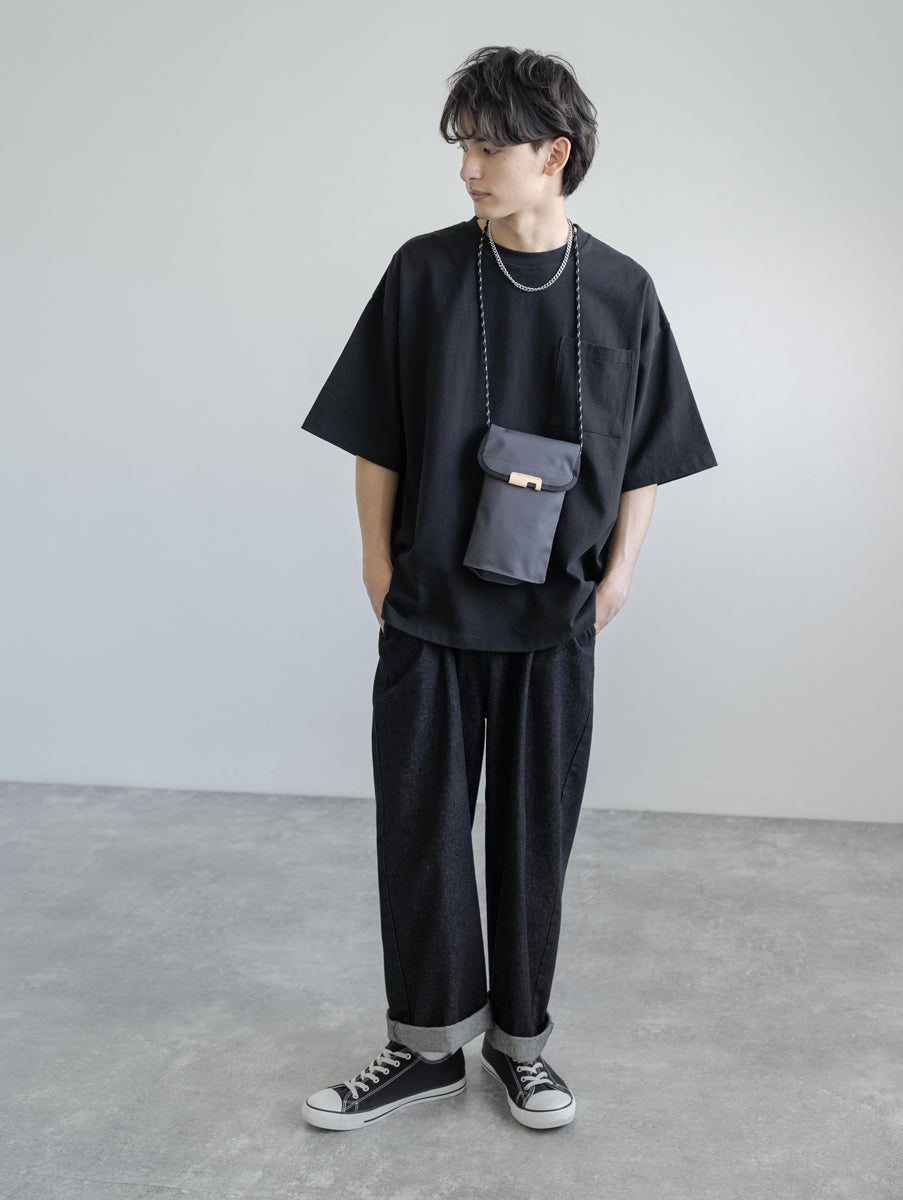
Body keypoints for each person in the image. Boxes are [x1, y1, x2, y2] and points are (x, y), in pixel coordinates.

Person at [299, 45, 716, 1132]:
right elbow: (377, 433)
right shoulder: (424, 273)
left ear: (554, 154)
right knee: (422, 829)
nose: (468, 169)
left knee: (535, 837)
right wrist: (376, 564)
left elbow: (647, 452)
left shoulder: (622, 290)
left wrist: (619, 575)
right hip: (430, 607)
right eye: (463, 148)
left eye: (489, 147)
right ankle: (426, 1047)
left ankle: (521, 1049)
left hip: (554, 615)